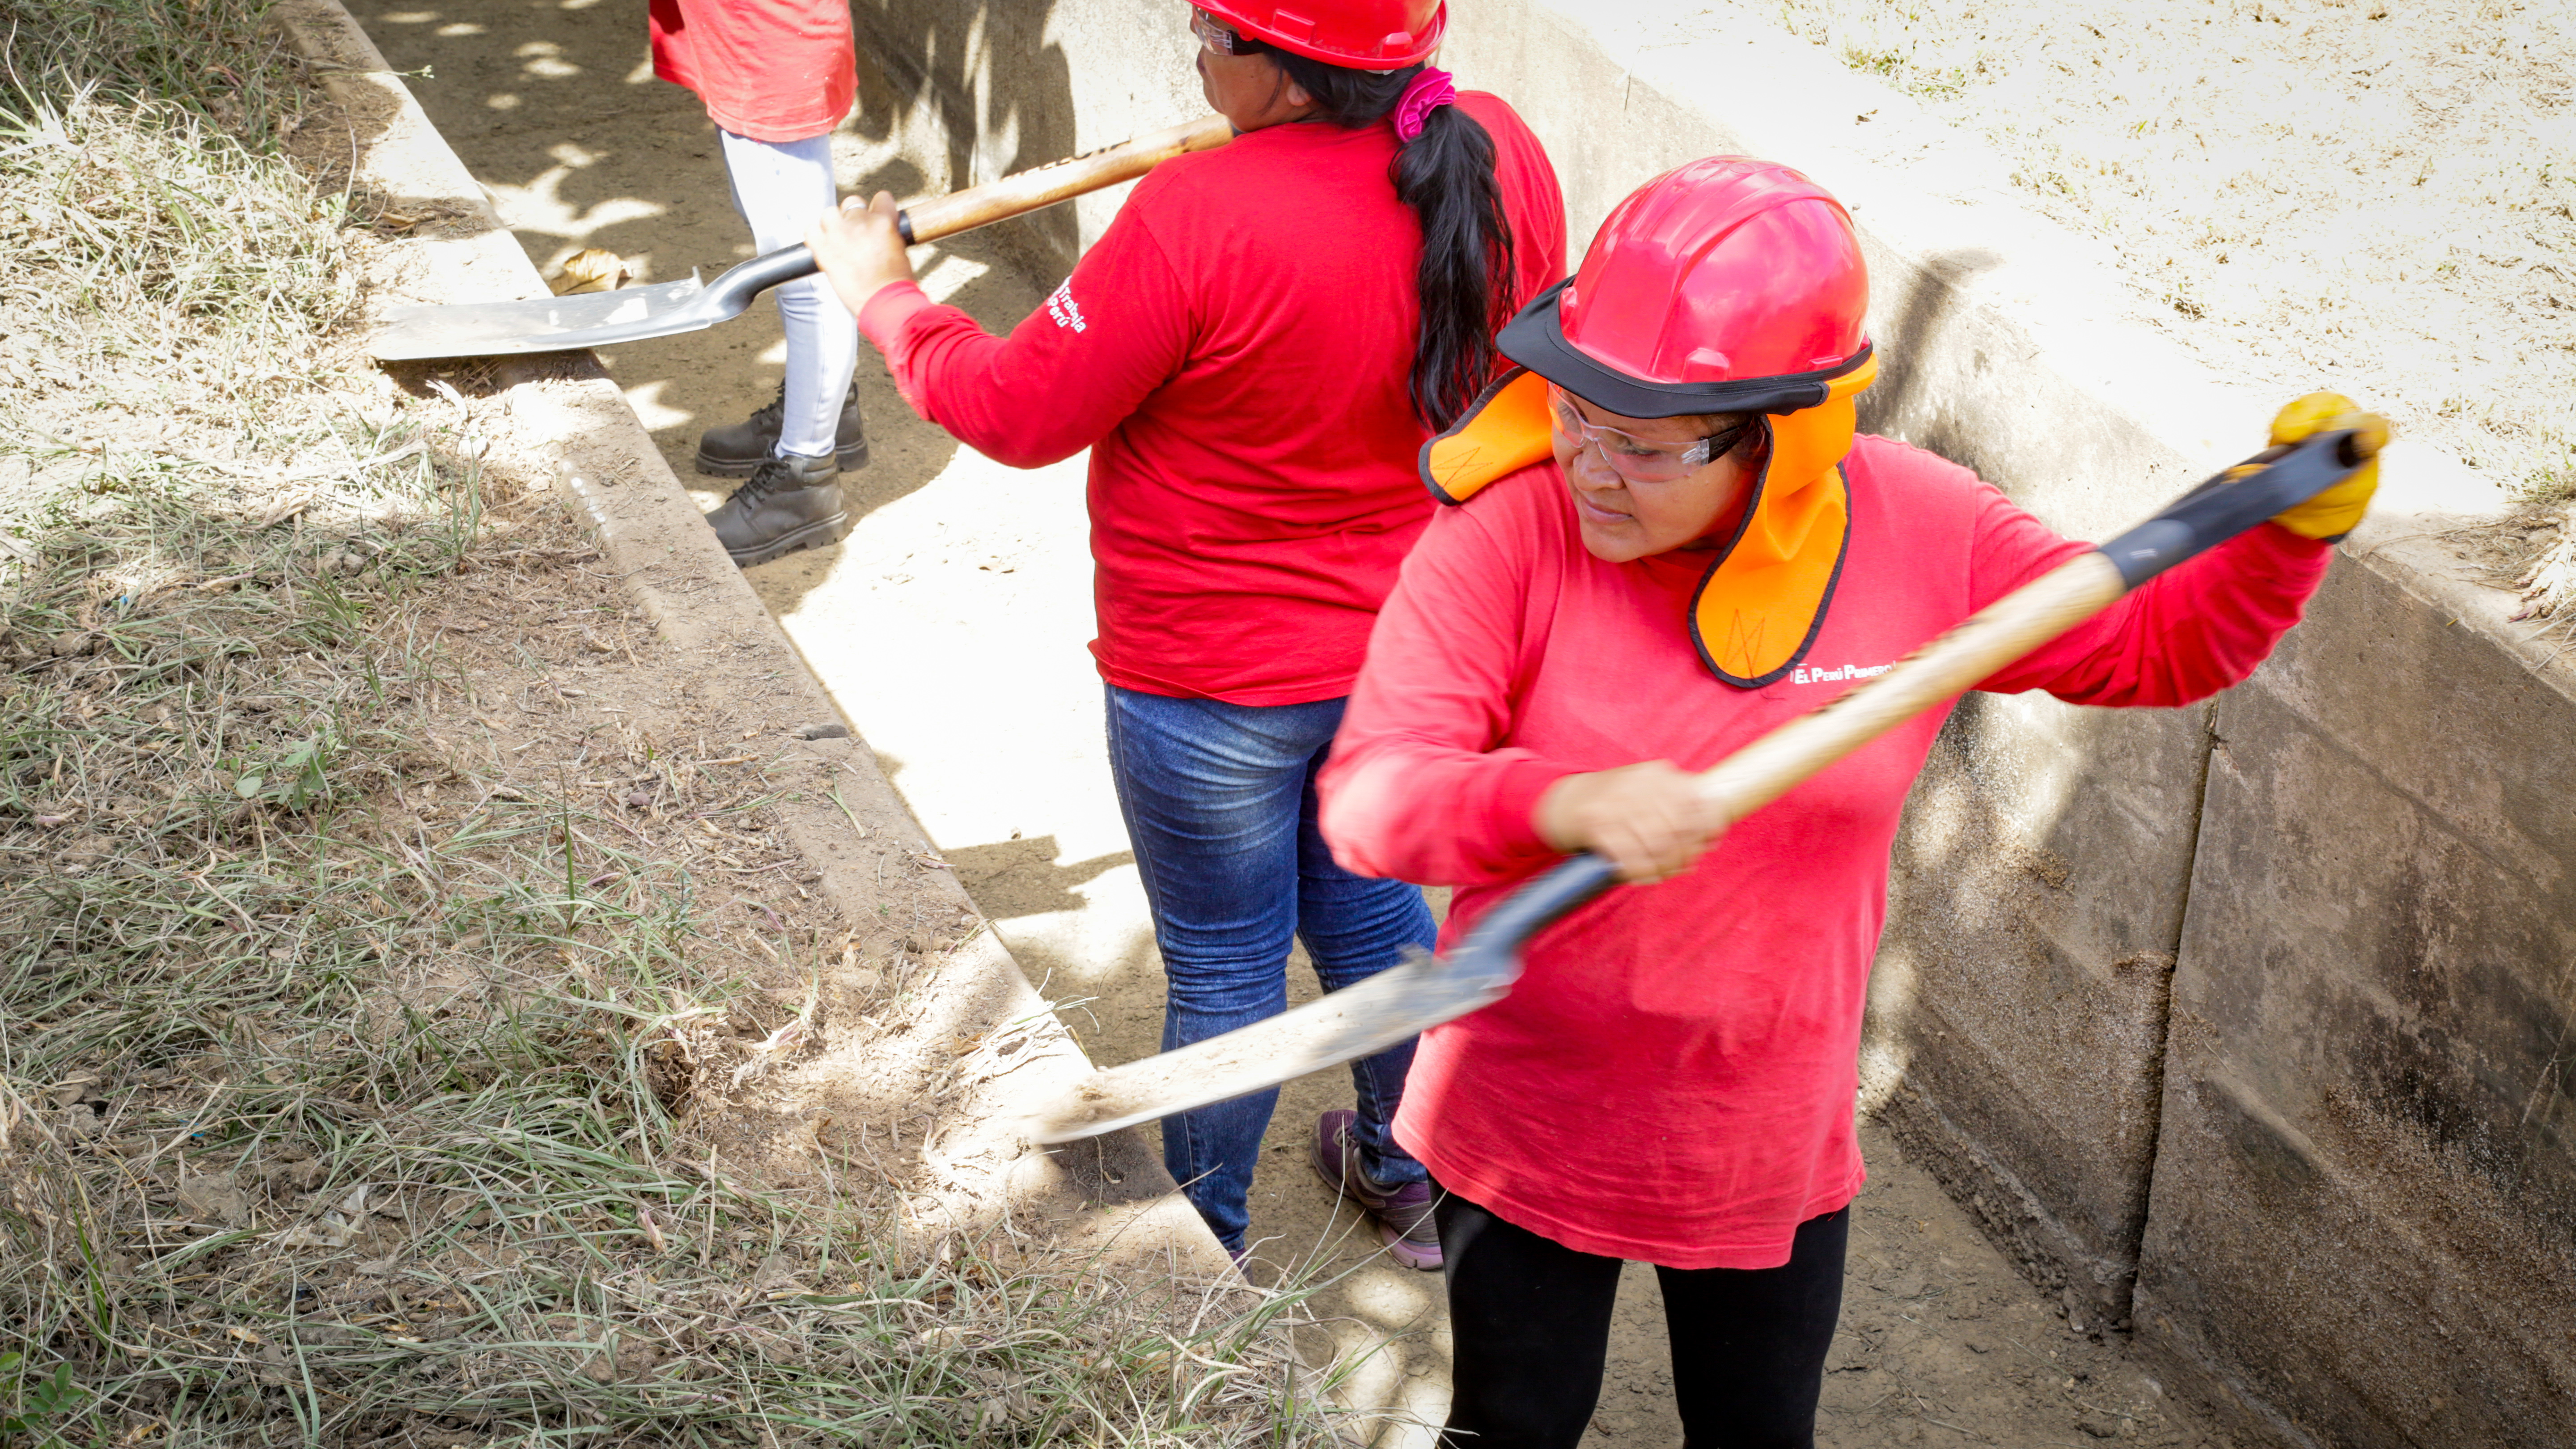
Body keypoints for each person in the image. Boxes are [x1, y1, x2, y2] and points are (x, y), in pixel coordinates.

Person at [1316, 157, 2378, 1446]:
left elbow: (2154, 650)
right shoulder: (1513, 535)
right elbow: (1373, 799)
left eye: (1641, 444)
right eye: (1575, 409)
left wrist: (2283, 537)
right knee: (1512, 1430)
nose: (1588, 462)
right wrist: (1564, 803)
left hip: (1763, 1124)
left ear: (1781, 431)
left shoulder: (1924, 530)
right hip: (1531, 1115)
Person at [797, 0, 1565, 1269]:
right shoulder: (1493, 152)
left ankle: (1199, 1255)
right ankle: (1412, 1172)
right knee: (1378, 922)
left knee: (1224, 969)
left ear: (1279, 70)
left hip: (1211, 681)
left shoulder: (1198, 217)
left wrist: (889, 300)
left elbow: (1013, 410)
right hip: (1407, 655)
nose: (1195, 50)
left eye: (1210, 30)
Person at [649, 0, 873, 567]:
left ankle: (805, 475)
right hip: (731, 23)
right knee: (771, 226)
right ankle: (823, 408)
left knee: (801, 265)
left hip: (767, 26)